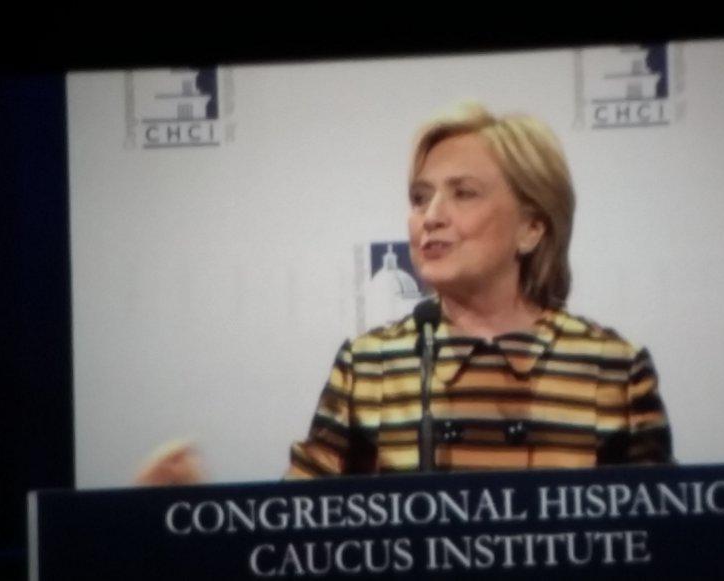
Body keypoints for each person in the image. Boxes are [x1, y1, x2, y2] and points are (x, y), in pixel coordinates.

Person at [285, 102, 672, 477]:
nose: (431, 217)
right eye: (420, 198)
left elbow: (654, 534)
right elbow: (298, 526)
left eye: (463, 193)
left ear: (531, 228)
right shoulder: (370, 368)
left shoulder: (613, 369)